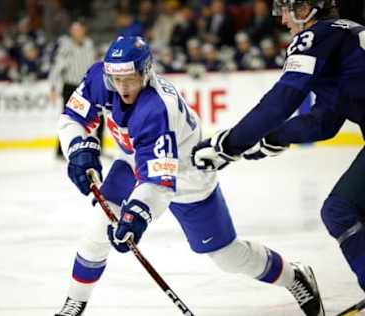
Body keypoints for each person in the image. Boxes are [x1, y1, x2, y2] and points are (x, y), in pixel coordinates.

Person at [55, 36, 325, 316]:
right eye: (116, 79)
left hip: (187, 175)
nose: (122, 87)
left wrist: (137, 216)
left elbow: (159, 184)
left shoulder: (156, 109)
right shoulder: (101, 77)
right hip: (134, 160)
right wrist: (77, 148)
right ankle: (75, 301)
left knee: (227, 256)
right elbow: (72, 118)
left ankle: (294, 276)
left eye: (130, 79)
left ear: (146, 72)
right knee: (99, 226)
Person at [191, 0, 365, 301]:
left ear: (306, 8)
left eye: (287, 9)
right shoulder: (346, 32)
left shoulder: (316, 35)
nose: (283, 20)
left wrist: (229, 145)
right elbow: (325, 121)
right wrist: (275, 138)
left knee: (340, 212)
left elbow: (281, 101)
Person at [48, 21, 98, 159]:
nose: (77, 32)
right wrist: (52, 88)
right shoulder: (66, 45)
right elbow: (57, 68)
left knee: (97, 117)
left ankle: (98, 148)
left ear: (84, 30)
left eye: (79, 29)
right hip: (70, 86)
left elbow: (93, 65)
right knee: (69, 118)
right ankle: (61, 151)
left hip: (87, 87)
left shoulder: (89, 44)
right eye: (74, 30)